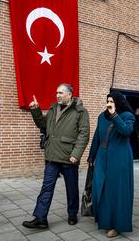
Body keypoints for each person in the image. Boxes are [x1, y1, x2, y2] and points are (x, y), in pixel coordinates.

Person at [22, 83, 90, 229]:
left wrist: (76, 154)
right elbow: (43, 126)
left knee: (71, 189)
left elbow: (84, 135)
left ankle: (72, 214)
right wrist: (35, 110)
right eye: (56, 93)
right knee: (46, 187)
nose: (57, 95)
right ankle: (40, 218)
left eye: (60, 93)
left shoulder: (80, 112)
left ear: (70, 94)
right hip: (52, 155)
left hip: (69, 157)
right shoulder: (53, 109)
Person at [87, 91, 135, 238]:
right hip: (102, 156)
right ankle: (104, 219)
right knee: (100, 187)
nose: (109, 104)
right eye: (108, 101)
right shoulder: (102, 116)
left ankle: (117, 225)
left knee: (118, 191)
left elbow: (126, 131)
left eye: (112, 101)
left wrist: (114, 115)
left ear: (119, 102)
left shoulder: (127, 116)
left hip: (120, 157)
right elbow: (96, 136)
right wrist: (91, 156)